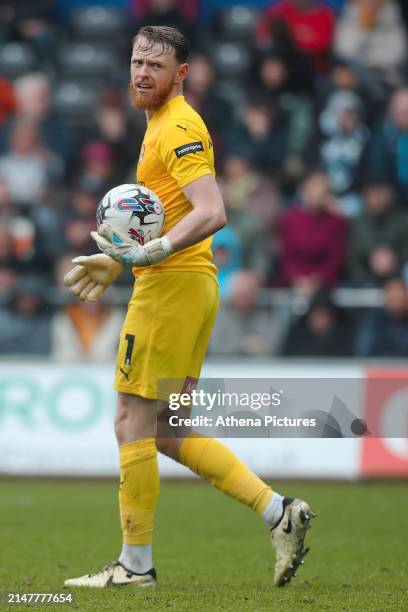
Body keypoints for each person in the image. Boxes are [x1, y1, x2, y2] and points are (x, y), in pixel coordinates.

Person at [63, 26, 314, 589]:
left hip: (171, 288)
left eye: (156, 64)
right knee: (170, 431)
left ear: (182, 74)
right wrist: (124, 257)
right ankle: (281, 512)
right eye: (136, 61)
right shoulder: (158, 124)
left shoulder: (177, 124)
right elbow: (174, 213)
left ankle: (135, 566)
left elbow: (212, 210)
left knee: (131, 422)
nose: (142, 72)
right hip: (186, 284)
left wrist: (151, 252)